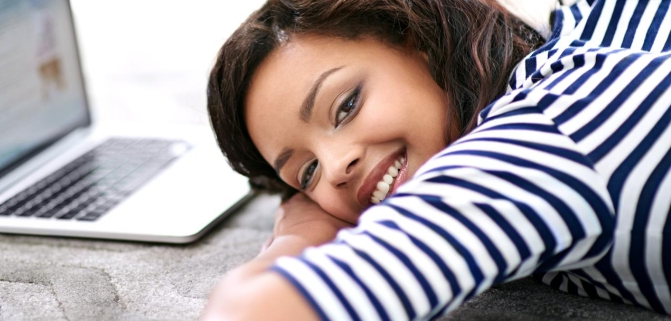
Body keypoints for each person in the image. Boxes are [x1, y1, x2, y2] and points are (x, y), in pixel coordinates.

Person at [202, 0, 671, 319]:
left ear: (422, 39)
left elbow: (253, 310)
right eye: (307, 173)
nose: (337, 166)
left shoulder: (540, 140)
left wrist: (299, 236)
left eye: (346, 105)